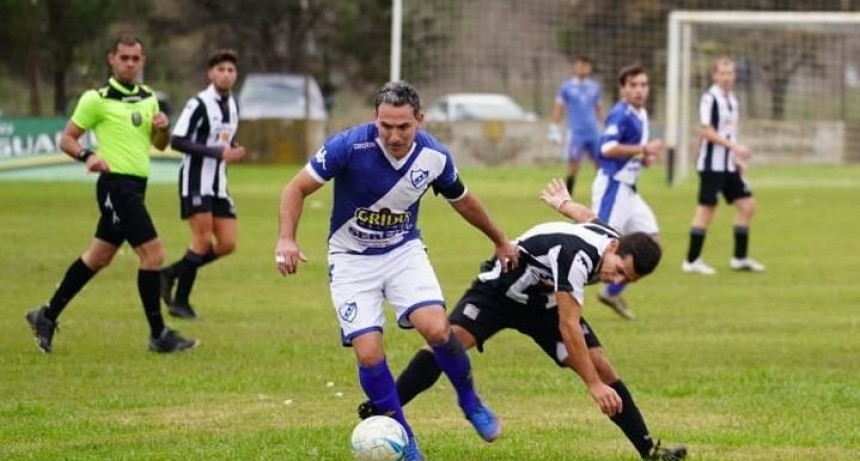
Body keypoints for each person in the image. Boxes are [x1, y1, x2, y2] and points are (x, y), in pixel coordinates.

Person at [274, 81, 521, 461]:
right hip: (351, 259)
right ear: (375, 119)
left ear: (420, 120)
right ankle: (404, 440)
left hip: (402, 252)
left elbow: (463, 200)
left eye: (403, 127)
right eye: (385, 126)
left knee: (438, 329)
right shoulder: (347, 146)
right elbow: (295, 189)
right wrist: (286, 239)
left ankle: (470, 402)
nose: (393, 136)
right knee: (369, 354)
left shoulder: (434, 157)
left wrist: (500, 240)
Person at [358, 178, 687, 461]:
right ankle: (383, 408)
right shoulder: (577, 257)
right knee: (446, 344)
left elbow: (588, 217)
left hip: (542, 303)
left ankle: (649, 451)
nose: (616, 279)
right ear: (614, 247)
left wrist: (564, 204)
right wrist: (593, 385)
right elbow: (568, 325)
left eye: (627, 280)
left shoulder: (610, 239)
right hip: (500, 291)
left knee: (601, 365)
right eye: (619, 270)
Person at [24, 35, 197, 354]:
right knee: (154, 255)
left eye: (135, 58)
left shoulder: (149, 99)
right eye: (124, 58)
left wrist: (163, 128)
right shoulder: (96, 99)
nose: (130, 63)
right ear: (112, 59)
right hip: (115, 186)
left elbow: (160, 145)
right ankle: (158, 334)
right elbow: (67, 139)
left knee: (98, 257)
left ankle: (45, 315)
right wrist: (88, 156)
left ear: (143, 61)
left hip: (136, 188)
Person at [160, 49, 246, 319]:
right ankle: (180, 302)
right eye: (220, 69)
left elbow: (221, 138)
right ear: (210, 73)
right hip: (195, 180)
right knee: (202, 238)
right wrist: (219, 153)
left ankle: (170, 273)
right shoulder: (199, 103)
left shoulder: (233, 104)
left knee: (227, 243)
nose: (226, 74)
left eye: (231, 70)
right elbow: (177, 140)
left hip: (218, 184)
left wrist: (232, 149)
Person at [591, 64, 664, 320]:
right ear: (622, 89)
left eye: (643, 85)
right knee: (596, 247)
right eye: (633, 85)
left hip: (630, 192)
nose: (639, 90)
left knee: (653, 246)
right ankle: (551, 293)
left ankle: (611, 292)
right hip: (613, 188)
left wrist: (644, 159)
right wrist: (644, 149)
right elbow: (607, 149)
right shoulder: (619, 114)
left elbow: (631, 152)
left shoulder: (640, 113)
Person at [682, 57, 765, 275]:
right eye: (722, 73)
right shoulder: (709, 99)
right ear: (715, 75)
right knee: (706, 210)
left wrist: (736, 159)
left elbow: (729, 132)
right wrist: (735, 147)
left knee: (747, 206)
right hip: (711, 166)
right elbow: (705, 131)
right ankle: (691, 261)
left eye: (730, 73)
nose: (727, 77)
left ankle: (740, 258)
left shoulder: (733, 100)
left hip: (728, 165)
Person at [548, 55, 605, 196]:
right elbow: (558, 107)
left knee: (600, 164)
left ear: (589, 68)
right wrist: (554, 127)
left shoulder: (594, 87)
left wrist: (607, 127)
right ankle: (567, 196)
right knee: (574, 164)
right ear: (575, 67)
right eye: (580, 65)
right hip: (576, 132)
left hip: (593, 132)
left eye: (585, 65)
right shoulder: (566, 87)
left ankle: (602, 193)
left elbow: (599, 109)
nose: (582, 68)